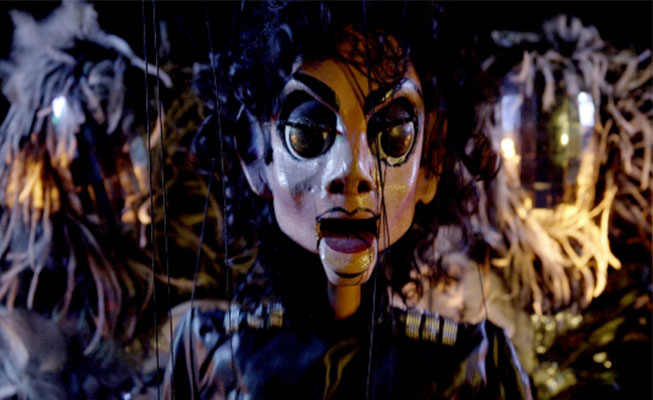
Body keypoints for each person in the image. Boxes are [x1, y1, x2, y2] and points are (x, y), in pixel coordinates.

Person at [163, 2, 531, 399]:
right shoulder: (208, 355)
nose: (352, 171)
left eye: (394, 135)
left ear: (431, 160)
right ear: (255, 153)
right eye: (306, 132)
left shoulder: (473, 366)